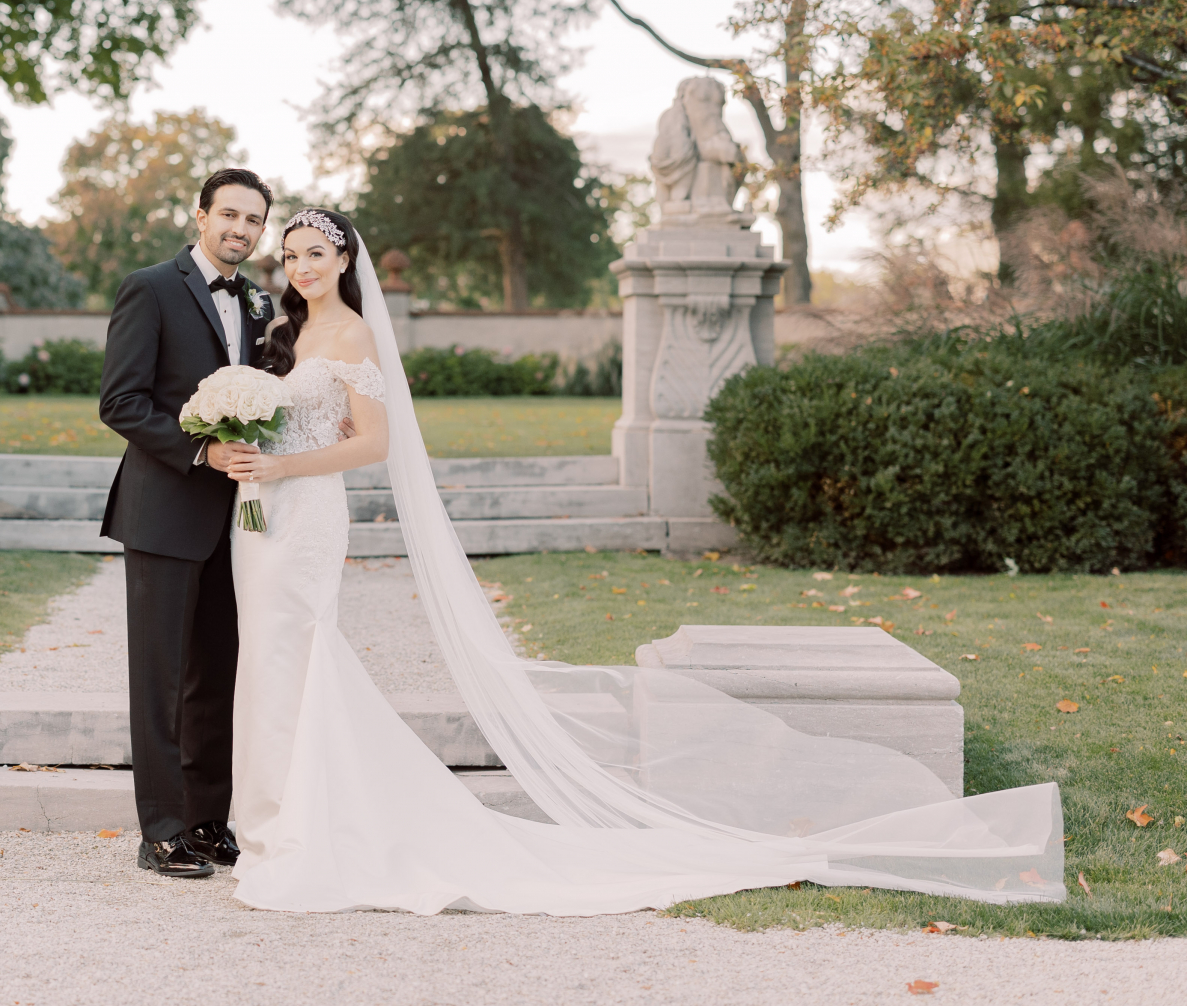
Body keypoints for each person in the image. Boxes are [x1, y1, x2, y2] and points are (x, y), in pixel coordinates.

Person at [216, 206, 1065, 915]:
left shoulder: (356, 333)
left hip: (307, 515)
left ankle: (304, 824)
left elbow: (374, 441)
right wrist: (238, 445)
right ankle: (268, 818)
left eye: (315, 253)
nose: (301, 266)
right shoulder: (289, 324)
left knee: (299, 654)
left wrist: (283, 465)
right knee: (269, 662)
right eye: (290, 255)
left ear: (345, 258)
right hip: (260, 517)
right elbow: (276, 415)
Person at [97, 169, 276, 878]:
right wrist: (201, 449)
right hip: (164, 512)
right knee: (162, 678)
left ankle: (207, 818)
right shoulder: (151, 286)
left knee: (218, 674)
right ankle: (161, 829)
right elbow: (121, 401)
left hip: (239, 522)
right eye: (228, 214)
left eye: (253, 220)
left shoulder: (259, 301)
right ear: (199, 215)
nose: (240, 229)